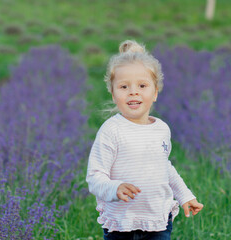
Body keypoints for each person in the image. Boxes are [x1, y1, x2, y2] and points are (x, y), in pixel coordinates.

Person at [86, 40, 204, 240]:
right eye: (124, 86)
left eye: (142, 85)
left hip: (157, 220)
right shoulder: (111, 130)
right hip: (121, 223)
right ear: (113, 94)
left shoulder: (161, 129)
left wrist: (185, 195)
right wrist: (115, 188)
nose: (133, 91)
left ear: (155, 92)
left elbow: (165, 167)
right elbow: (95, 177)